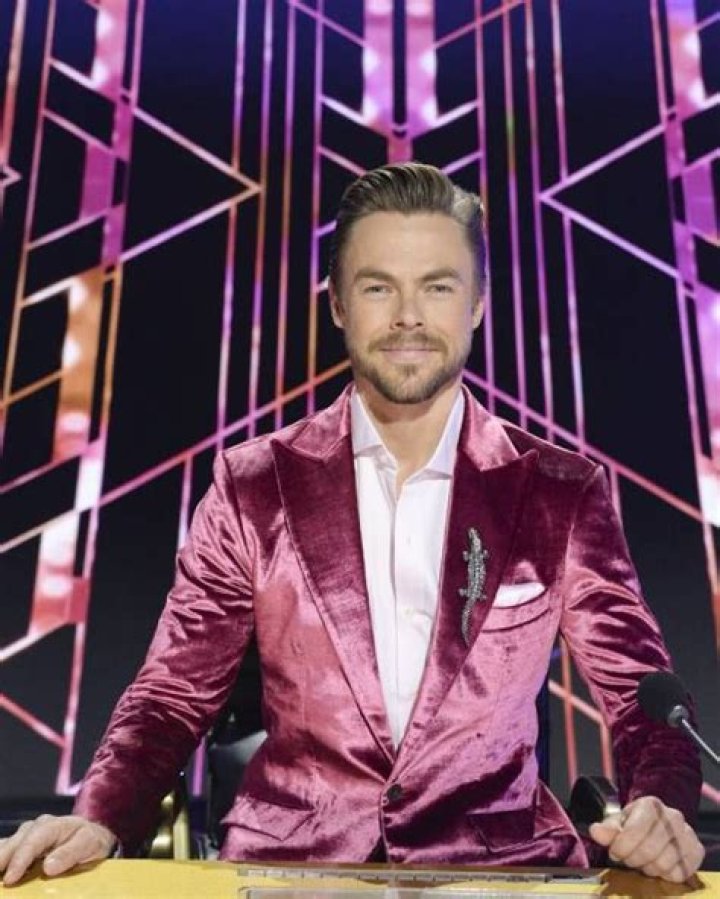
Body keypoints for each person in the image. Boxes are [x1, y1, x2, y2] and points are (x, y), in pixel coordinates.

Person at [0, 163, 705, 886]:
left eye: (438, 287)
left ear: (479, 304)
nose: (408, 316)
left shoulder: (559, 491)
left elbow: (644, 696)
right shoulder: (254, 485)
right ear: (337, 303)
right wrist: (98, 817)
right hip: (294, 872)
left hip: (497, 873)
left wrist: (661, 807)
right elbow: (171, 695)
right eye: (378, 287)